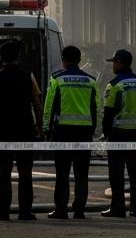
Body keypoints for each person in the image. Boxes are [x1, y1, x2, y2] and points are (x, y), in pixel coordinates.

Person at [0, 40, 43, 221]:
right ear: (19, 56)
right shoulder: (29, 77)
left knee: (4, 172)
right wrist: (40, 127)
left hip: (2, 129)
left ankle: (4, 212)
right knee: (25, 172)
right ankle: (25, 212)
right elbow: (37, 103)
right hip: (25, 129)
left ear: (1, 58)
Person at [42, 45, 98, 220]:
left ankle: (61, 210)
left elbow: (49, 106)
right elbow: (96, 108)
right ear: (79, 61)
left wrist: (46, 128)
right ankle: (79, 210)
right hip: (84, 132)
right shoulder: (91, 80)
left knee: (62, 174)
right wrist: (93, 129)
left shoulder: (57, 79)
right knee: (82, 175)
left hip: (63, 132)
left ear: (63, 60)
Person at [100, 48, 136, 218]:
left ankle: (118, 208)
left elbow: (108, 112)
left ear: (119, 63)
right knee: (135, 171)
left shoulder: (114, 85)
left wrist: (105, 133)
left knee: (116, 173)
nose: (112, 65)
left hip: (118, 134)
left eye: (113, 62)